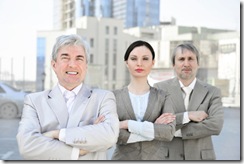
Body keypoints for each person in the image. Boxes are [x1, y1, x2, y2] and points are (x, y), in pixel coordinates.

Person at [16, 34, 119, 160]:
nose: (72, 64)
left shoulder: (104, 98)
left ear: (86, 65)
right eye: (65, 58)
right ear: (54, 65)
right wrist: (82, 145)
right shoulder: (34, 101)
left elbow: (109, 135)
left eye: (79, 58)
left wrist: (57, 134)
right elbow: (27, 146)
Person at [154, 42, 224, 160]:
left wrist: (173, 130)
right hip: (167, 158)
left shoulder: (213, 92)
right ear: (173, 64)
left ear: (198, 63)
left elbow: (216, 125)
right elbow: (155, 125)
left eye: (191, 59)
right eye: (181, 59)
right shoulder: (159, 89)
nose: (186, 64)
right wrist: (188, 116)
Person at [111, 40, 176, 160]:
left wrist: (127, 124)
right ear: (126, 63)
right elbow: (112, 133)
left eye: (145, 59)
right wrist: (153, 128)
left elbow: (168, 133)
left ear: (153, 62)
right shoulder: (113, 97)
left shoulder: (163, 96)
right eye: (134, 58)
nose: (139, 63)